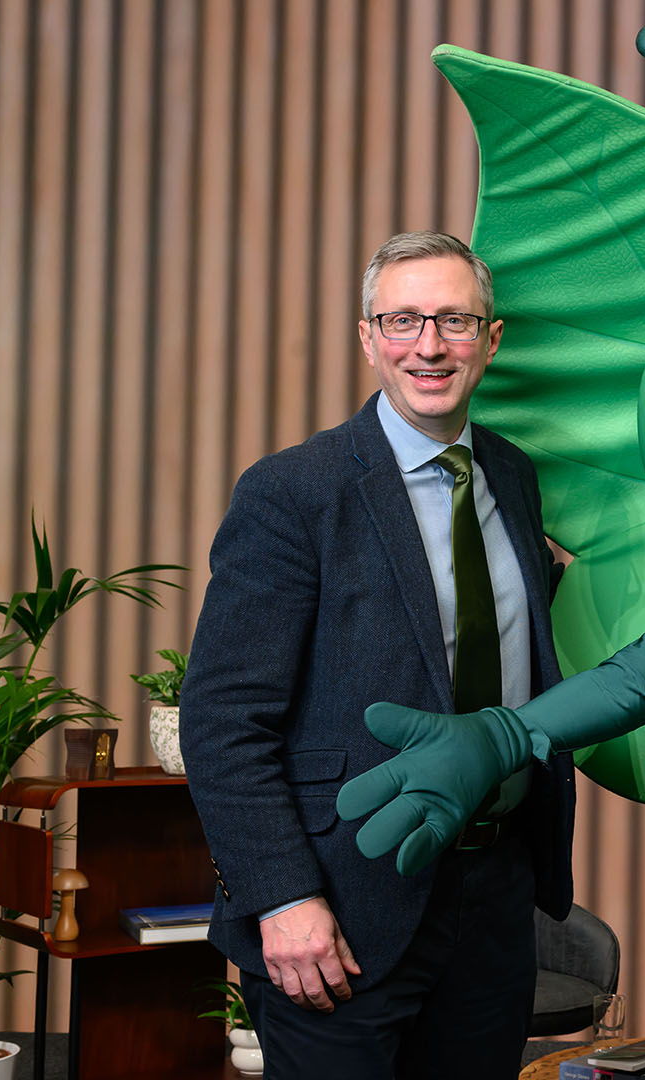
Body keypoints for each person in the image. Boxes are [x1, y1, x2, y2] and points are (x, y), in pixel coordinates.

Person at [181, 231, 575, 1079]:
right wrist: (283, 897)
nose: (429, 346)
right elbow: (221, 720)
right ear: (367, 339)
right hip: (339, 910)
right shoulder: (295, 492)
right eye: (402, 320)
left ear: (491, 339)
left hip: (495, 894)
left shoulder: (511, 476)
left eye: (454, 322)